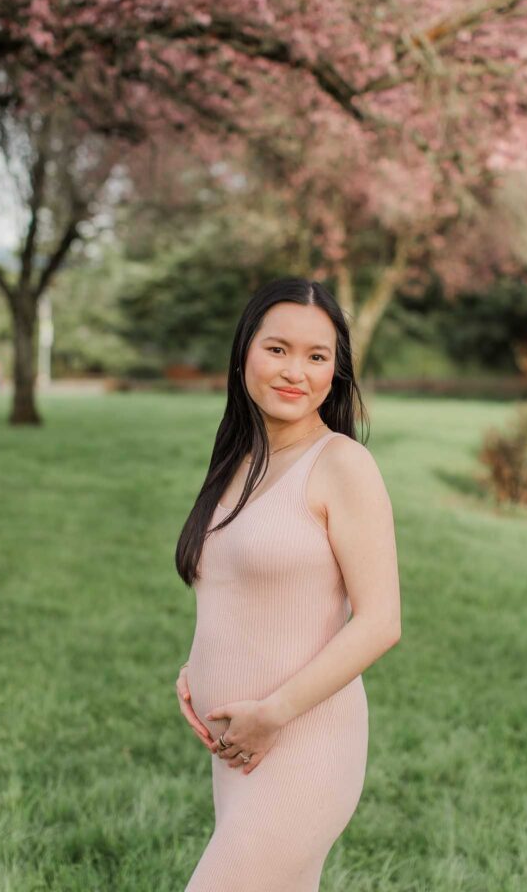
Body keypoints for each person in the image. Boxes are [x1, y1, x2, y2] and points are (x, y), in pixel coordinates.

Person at [175, 276, 402, 892]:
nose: (295, 371)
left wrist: (273, 712)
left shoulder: (343, 466)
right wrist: (198, 669)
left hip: (302, 746)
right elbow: (233, 589)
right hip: (241, 752)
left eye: (317, 356)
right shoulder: (239, 462)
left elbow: (381, 621)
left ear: (337, 371)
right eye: (277, 349)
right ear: (245, 351)